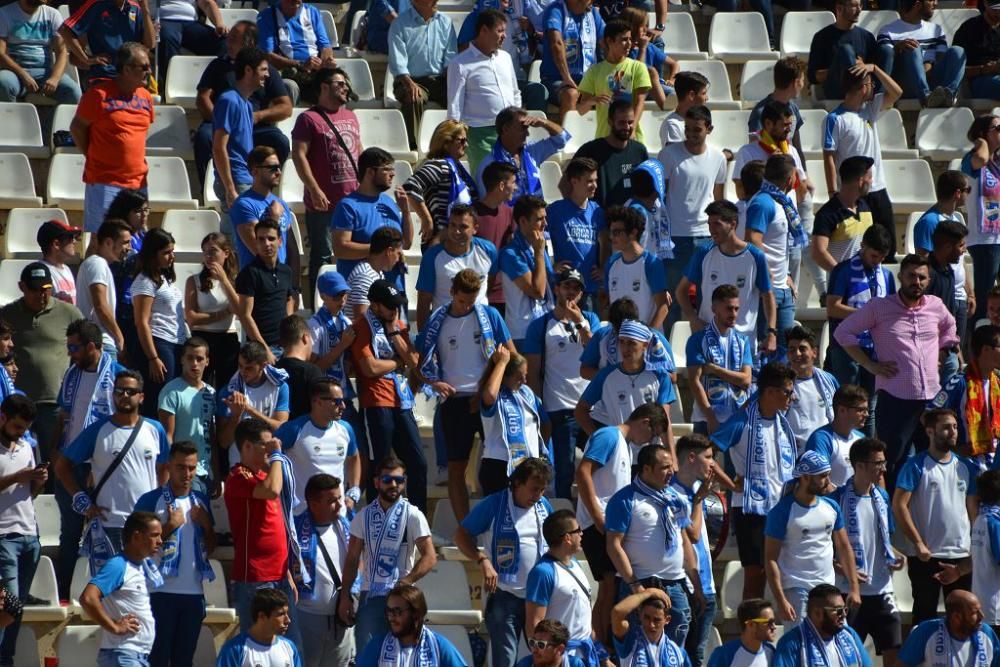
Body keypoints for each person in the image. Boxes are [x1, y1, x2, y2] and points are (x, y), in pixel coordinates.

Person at [834, 254, 959, 489]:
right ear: (900, 276)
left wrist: (943, 350)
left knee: (932, 460)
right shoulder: (880, 307)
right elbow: (843, 333)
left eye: (922, 277)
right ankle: (890, 516)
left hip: (931, 400)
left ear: (929, 280)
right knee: (892, 463)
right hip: (895, 401)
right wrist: (869, 365)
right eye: (911, 276)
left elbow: (950, 327)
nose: (917, 282)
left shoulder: (935, 305)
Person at [418, 269, 512, 518]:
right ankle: (465, 528)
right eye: (461, 301)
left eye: (471, 301)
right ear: (451, 293)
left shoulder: (489, 315)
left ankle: (497, 520)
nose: (466, 306)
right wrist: (434, 383)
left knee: (497, 464)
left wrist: (486, 388)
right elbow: (419, 362)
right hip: (455, 402)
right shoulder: (437, 320)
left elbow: (509, 353)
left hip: (486, 399)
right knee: (456, 469)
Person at [575, 403, 668, 646]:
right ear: (645, 422)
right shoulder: (609, 435)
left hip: (608, 523)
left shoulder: (623, 445)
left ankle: (602, 646)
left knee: (610, 588)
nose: (650, 440)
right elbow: (583, 472)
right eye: (652, 433)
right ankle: (600, 648)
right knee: (607, 588)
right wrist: (597, 516)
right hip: (598, 525)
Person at [56, 370, 169, 559]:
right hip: (110, 524)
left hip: (146, 525)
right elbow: (62, 466)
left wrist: (158, 504)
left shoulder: (155, 429)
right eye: (119, 391)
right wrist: (82, 501)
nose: (124, 395)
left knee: (144, 586)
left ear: (141, 397)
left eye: (130, 391)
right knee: (110, 586)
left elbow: (164, 468)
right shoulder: (97, 429)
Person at [455, 458, 554, 667]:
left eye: (542, 490)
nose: (538, 496)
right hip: (504, 595)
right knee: (505, 659)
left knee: (542, 659)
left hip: (537, 598)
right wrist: (482, 560)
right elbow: (462, 535)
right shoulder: (494, 503)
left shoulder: (544, 506)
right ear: (517, 483)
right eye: (534, 489)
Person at [51, 320, 125, 598]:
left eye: (74, 347)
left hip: (103, 469)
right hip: (70, 466)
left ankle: (108, 592)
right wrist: (55, 449)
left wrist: (98, 463)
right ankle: (62, 593)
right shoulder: (72, 375)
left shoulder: (119, 378)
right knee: (69, 533)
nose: (71, 353)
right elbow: (63, 414)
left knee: (106, 530)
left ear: (91, 346)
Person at [712, 362, 796, 600]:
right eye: (787, 391)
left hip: (780, 507)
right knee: (755, 577)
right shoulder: (741, 421)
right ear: (769, 392)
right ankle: (750, 633)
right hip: (751, 509)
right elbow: (703, 454)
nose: (792, 396)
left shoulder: (783, 422)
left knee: (782, 574)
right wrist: (729, 484)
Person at [606, 444, 703, 647]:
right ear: (646, 469)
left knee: (676, 647)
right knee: (637, 647)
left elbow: (684, 541)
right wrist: (635, 586)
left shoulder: (675, 498)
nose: (671, 472)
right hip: (641, 581)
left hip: (675, 583)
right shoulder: (624, 499)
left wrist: (697, 585)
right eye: (664, 467)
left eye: (671, 466)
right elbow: (614, 546)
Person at [338, 456, 437, 648]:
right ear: (376, 482)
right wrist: (345, 597)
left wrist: (406, 581)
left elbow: (430, 556)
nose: (393, 484)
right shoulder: (363, 516)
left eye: (399, 480)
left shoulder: (413, 514)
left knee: (403, 653)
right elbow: (352, 559)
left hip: (402, 595)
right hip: (371, 594)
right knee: (367, 656)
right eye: (387, 480)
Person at [893, 407, 980, 625]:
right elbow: (899, 505)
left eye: (955, 427)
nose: (952, 432)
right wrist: (918, 543)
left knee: (964, 619)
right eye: (946, 428)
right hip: (926, 556)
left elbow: (973, 512)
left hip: (960, 555)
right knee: (924, 618)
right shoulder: (916, 465)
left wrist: (974, 550)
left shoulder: (966, 466)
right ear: (930, 431)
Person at [134, 441, 217, 667]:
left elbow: (210, 548)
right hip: (159, 593)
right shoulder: (150, 500)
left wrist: (207, 525)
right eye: (181, 467)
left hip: (193, 595)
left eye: (191, 468)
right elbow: (135, 546)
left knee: (184, 660)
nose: (187, 473)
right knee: (157, 658)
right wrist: (169, 526)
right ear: (169, 465)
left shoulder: (201, 501)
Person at [349, 280, 427, 511]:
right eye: (388, 305)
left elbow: (414, 362)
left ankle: (418, 521)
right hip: (375, 403)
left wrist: (394, 333)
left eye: (396, 305)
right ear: (374, 305)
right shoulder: (362, 326)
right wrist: (396, 362)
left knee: (418, 463)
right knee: (379, 466)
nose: (394, 309)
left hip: (401, 402)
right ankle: (377, 520)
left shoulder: (398, 324)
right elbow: (369, 368)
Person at [524, 268, 600, 499]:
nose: (571, 292)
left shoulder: (591, 319)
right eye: (566, 286)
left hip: (591, 407)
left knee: (600, 465)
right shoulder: (541, 325)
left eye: (576, 288)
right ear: (556, 288)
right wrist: (539, 409)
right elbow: (534, 371)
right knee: (564, 472)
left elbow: (595, 354)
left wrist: (580, 323)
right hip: (559, 408)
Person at [829, 437, 905, 666]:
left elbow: (882, 538)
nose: (883, 468)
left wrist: (896, 555)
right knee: (847, 654)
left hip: (882, 589)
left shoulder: (881, 496)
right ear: (859, 465)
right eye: (878, 463)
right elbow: (825, 546)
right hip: (849, 591)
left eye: (884, 462)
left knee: (893, 650)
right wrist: (839, 567)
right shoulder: (837, 499)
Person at [223, 418, 300, 644]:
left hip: (279, 574)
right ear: (246, 446)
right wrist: (276, 455)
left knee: (290, 645)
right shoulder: (239, 476)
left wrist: (287, 572)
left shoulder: (263, 475)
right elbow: (272, 491)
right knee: (260, 646)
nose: (270, 449)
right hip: (256, 577)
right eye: (265, 445)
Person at [764, 451, 860, 625]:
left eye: (828, 475)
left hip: (829, 589)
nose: (828, 482)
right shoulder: (782, 511)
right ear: (806, 477)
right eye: (823, 476)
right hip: (796, 590)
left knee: (838, 640)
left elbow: (844, 548)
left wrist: (854, 587)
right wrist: (781, 600)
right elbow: (770, 558)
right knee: (801, 646)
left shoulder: (831, 507)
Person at [194, 21, 293, 188]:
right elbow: (203, 98)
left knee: (280, 141)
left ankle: (266, 185)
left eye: (234, 38)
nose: (228, 41)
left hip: (256, 126)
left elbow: (286, 107)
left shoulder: (265, 70)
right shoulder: (218, 66)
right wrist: (222, 121)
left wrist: (258, 116)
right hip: (220, 123)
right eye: (229, 37)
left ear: (250, 43)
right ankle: (207, 187)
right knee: (204, 137)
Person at [0, 263, 82, 466]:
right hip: (16, 403)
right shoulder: (7, 314)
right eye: (35, 290)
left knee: (54, 457)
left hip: (54, 401)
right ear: (22, 287)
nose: (42, 295)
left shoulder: (69, 313)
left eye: (46, 289)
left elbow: (85, 348)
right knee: (15, 456)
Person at [69, 42, 154, 235]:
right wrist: (92, 154)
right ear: (126, 69)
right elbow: (77, 127)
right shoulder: (98, 95)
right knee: (103, 238)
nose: (149, 71)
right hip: (104, 182)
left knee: (137, 241)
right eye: (144, 67)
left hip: (138, 183)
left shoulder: (146, 97)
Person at [291, 66, 360, 297]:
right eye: (340, 84)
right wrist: (314, 188)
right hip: (324, 203)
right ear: (323, 87)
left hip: (352, 201)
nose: (345, 88)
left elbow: (358, 150)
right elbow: (299, 155)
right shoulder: (308, 119)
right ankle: (316, 305)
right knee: (322, 255)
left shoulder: (350, 115)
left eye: (346, 84)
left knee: (353, 255)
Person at [822, 65, 902, 262]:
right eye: (870, 83)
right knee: (861, 250)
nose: (874, 87)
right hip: (854, 194)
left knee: (888, 249)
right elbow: (829, 157)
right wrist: (833, 192)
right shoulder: (834, 119)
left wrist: (874, 68)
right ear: (862, 87)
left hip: (878, 189)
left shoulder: (870, 109)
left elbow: (897, 92)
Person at [659, 106, 728, 328]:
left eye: (696, 129)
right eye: (687, 129)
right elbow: (661, 197)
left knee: (706, 300)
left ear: (709, 129)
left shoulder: (718, 158)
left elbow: (718, 199)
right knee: (670, 300)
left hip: (706, 238)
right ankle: (667, 351)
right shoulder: (668, 155)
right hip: (675, 239)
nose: (690, 133)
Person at [676, 200, 775, 349]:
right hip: (709, 341)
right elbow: (680, 291)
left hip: (743, 343)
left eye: (717, 224)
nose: (712, 230)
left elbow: (768, 296)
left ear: (733, 224)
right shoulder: (703, 253)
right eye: (709, 224)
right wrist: (692, 318)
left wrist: (772, 332)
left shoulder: (755, 256)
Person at [78, 511, 161, 667]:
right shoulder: (118, 565)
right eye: (154, 535)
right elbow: (88, 598)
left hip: (134, 656)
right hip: (123, 655)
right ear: (136, 536)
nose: (160, 541)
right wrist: (115, 627)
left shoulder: (139, 567)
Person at [447, 8, 525, 170]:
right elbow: (455, 105)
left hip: (509, 131)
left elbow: (515, 92)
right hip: (478, 135)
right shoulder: (460, 63)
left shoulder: (505, 58)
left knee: (512, 180)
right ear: (483, 30)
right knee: (485, 182)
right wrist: (456, 137)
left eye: (505, 31)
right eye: (500, 31)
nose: (504, 35)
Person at [331, 147, 413, 297]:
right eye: (387, 169)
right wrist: (381, 250)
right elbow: (340, 248)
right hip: (364, 293)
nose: (393, 173)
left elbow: (406, 243)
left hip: (395, 289)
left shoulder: (389, 203)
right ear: (370, 172)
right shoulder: (348, 206)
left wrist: (406, 211)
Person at [825, 224, 895, 399]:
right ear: (863, 245)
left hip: (875, 346)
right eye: (874, 255)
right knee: (848, 402)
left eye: (882, 257)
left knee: (869, 406)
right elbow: (833, 308)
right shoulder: (843, 270)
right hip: (845, 347)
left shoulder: (886, 276)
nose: (877, 261)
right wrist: (866, 315)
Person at [575, 320, 675, 441]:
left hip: (650, 455)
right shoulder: (605, 375)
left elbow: (665, 421)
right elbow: (580, 411)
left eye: (631, 343)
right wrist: (600, 438)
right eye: (622, 342)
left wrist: (672, 456)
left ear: (645, 345)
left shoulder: (660, 376)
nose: (625, 348)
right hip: (620, 453)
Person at [291, 473, 353, 667]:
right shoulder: (293, 530)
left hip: (341, 619)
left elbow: (360, 561)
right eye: (331, 501)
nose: (339, 505)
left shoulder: (348, 525)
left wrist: (349, 597)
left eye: (339, 498)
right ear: (314, 504)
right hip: (306, 619)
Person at [0, 395, 43, 667]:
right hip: (4, 537)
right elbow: (16, 481)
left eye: (25, 428)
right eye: (17, 426)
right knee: (8, 607)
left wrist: (37, 481)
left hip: (30, 535)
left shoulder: (27, 447)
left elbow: (30, 494)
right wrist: (18, 476)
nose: (21, 432)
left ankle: (7, 658)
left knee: (18, 609)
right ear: (2, 417)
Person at [525, 510, 599, 666]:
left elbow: (584, 618)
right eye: (578, 530)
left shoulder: (575, 564)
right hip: (562, 656)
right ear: (567, 538)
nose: (582, 534)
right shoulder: (543, 572)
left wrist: (602, 656)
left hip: (585, 655)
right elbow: (534, 623)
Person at [745, 155, 803, 352]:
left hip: (783, 289)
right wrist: (767, 272)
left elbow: (776, 244)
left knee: (786, 351)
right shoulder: (763, 202)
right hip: (766, 291)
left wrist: (785, 274)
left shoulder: (780, 202)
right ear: (790, 179)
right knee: (766, 350)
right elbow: (753, 238)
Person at [276, 378, 361, 514]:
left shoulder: (346, 429)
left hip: (338, 514)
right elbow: (268, 456)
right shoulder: (294, 429)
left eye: (343, 401)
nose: (343, 406)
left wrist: (354, 489)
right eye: (337, 401)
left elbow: (354, 457)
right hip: (302, 516)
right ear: (318, 401)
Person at [670, 435, 719, 667]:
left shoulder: (699, 487)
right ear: (691, 457)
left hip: (706, 584)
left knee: (698, 655)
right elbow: (693, 534)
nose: (712, 464)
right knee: (682, 654)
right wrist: (699, 500)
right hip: (687, 586)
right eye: (708, 457)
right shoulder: (673, 493)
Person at [213, 46, 271, 236]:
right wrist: (230, 188)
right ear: (248, 70)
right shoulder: (229, 100)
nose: (267, 74)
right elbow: (219, 146)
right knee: (237, 243)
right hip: (236, 181)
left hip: (245, 179)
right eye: (263, 69)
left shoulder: (245, 103)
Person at [130, 228, 189, 418]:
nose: (171, 256)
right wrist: (153, 357)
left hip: (176, 342)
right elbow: (142, 321)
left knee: (171, 397)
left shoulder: (164, 278)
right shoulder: (145, 281)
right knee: (160, 398)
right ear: (153, 254)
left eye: (172, 251)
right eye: (166, 252)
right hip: (159, 342)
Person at [478, 348, 549, 495]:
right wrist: (502, 362)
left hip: (528, 468)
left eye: (525, 375)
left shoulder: (527, 394)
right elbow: (489, 395)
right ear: (503, 376)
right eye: (518, 376)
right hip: (498, 465)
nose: (524, 381)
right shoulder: (495, 396)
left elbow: (545, 424)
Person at [913, 170, 973, 344]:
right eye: (967, 190)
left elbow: (961, 262)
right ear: (957, 193)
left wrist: (970, 293)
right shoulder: (929, 222)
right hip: (943, 297)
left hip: (960, 297)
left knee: (956, 348)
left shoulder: (956, 218)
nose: (968, 194)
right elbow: (923, 262)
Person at [686, 285, 753, 436]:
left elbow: (746, 380)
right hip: (705, 418)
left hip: (737, 417)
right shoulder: (697, 340)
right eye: (729, 309)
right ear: (714, 308)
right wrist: (711, 418)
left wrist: (715, 369)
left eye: (737, 309)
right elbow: (694, 381)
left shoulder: (743, 341)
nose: (734, 314)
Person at [387, 0, 456, 148]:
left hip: (439, 80)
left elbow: (451, 58)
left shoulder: (446, 22)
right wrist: (410, 83)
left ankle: (453, 143)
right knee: (414, 97)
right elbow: (398, 62)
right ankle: (414, 147)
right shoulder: (399, 23)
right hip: (409, 80)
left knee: (461, 96)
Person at [415, 205, 497, 328]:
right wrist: (423, 338)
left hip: (481, 329)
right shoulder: (432, 257)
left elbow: (490, 282)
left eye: (463, 226)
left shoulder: (489, 250)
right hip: (446, 330)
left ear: (475, 228)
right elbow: (424, 301)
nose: (456, 231)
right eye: (452, 225)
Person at [930, 325, 1000, 467]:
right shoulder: (959, 383)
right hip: (965, 465)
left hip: (995, 462)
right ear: (986, 349)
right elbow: (929, 415)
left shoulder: (997, 383)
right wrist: (952, 448)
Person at [877, 0, 966, 107]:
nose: (936, 3)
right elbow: (887, 61)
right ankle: (926, 97)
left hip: (933, 80)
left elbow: (941, 59)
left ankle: (949, 95)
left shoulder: (936, 29)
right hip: (906, 84)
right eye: (931, 0)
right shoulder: (887, 31)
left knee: (958, 51)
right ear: (918, 4)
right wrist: (898, 48)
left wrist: (927, 65)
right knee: (913, 48)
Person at [157, 338, 217, 496]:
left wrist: (216, 475)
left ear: (207, 361)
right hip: (184, 473)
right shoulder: (171, 391)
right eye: (190, 358)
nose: (195, 364)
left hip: (206, 472)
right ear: (182, 359)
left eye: (199, 359)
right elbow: (166, 437)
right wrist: (166, 477)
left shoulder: (211, 392)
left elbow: (211, 435)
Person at [355, 584, 468, 667]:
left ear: (416, 614)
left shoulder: (439, 646)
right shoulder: (378, 645)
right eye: (389, 611)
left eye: (397, 611)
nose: (391, 617)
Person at [406, 121, 481, 247]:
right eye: (461, 141)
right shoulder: (439, 165)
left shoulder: (458, 168)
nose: (466, 145)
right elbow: (410, 186)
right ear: (446, 143)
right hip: (440, 242)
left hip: (459, 241)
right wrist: (426, 219)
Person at [545, 157, 605, 312]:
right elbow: (539, 239)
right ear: (574, 181)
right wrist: (551, 265)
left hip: (589, 288)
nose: (595, 186)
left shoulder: (597, 211)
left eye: (595, 180)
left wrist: (603, 268)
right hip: (565, 287)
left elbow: (606, 242)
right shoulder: (555, 211)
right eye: (589, 181)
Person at [577, 19, 650, 142]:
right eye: (624, 40)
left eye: (630, 39)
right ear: (609, 41)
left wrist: (631, 130)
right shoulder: (594, 71)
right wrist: (592, 101)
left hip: (631, 140)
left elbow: (639, 103)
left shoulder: (638, 67)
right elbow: (581, 110)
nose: (629, 44)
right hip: (604, 140)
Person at [184, 233, 241, 391]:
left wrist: (224, 280)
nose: (208, 256)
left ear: (226, 253)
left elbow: (240, 310)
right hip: (203, 338)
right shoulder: (194, 281)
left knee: (227, 388)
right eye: (205, 252)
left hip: (227, 338)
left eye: (213, 251)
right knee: (201, 387)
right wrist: (223, 313)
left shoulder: (235, 281)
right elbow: (192, 317)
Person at [217, 342, 290, 464]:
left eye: (249, 368)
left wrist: (249, 409)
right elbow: (224, 442)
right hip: (239, 464)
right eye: (240, 366)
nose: (243, 372)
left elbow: (281, 429)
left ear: (263, 365)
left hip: (268, 463)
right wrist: (236, 416)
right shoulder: (228, 391)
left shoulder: (280, 387)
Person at [476, 107, 570, 201]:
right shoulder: (489, 165)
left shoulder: (531, 151)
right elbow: (488, 203)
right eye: (523, 128)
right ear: (505, 129)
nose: (528, 134)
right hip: (510, 214)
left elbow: (562, 139)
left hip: (537, 210)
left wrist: (544, 122)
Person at [499, 195, 555, 347]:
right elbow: (537, 291)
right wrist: (538, 254)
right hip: (524, 333)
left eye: (545, 218)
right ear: (523, 221)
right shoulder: (510, 254)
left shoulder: (539, 246)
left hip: (546, 325)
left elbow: (545, 280)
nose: (545, 223)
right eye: (539, 219)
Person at [235, 218, 297, 356]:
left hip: (285, 346)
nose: (266, 243)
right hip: (260, 350)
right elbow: (245, 315)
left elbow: (289, 300)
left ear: (280, 241)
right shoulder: (250, 273)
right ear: (256, 243)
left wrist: (289, 336)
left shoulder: (286, 271)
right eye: (261, 239)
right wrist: (265, 350)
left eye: (271, 238)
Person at [230, 146, 297, 271]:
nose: (279, 172)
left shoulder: (281, 204)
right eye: (272, 168)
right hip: (258, 280)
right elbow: (260, 250)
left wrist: (294, 287)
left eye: (279, 167)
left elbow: (292, 249)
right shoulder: (243, 205)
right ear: (255, 171)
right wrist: (274, 218)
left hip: (281, 279)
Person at [771, 584, 871, 667]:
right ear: (817, 613)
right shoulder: (791, 643)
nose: (843, 615)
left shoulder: (850, 634)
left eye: (845, 610)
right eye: (838, 610)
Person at [0, 0, 80, 103]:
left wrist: (54, 78)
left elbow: (61, 51)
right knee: (4, 83)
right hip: (15, 72)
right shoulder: (4, 13)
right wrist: (23, 75)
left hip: (45, 72)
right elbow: (1, 53)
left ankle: (55, 119)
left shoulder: (53, 14)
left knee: (73, 92)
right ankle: (9, 118)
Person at [807, 0, 889, 100]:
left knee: (886, 51)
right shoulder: (822, 37)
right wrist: (839, 68)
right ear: (839, 8)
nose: (859, 10)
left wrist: (866, 67)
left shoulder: (867, 36)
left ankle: (877, 100)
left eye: (860, 5)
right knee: (845, 51)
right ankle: (855, 95)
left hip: (865, 89)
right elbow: (812, 76)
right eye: (854, 6)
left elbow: (875, 68)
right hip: (838, 90)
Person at [961, 114, 1000, 326]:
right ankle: (976, 345)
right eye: (998, 128)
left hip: (998, 237)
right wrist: (981, 143)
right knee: (984, 297)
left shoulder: (998, 162)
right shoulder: (970, 159)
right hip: (984, 239)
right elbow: (982, 159)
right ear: (984, 133)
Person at [538, 0, 605, 122]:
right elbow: (556, 43)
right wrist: (567, 77)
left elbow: (607, 42)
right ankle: (566, 139)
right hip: (558, 79)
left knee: (617, 89)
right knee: (571, 94)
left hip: (589, 79)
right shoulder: (555, 10)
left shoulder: (593, 13)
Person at [256, 0, 335, 103]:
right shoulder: (267, 16)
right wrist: (299, 64)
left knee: (336, 83)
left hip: (314, 70)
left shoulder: (312, 12)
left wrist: (325, 62)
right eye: (292, 3)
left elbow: (325, 46)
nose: (296, 6)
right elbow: (267, 56)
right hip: (286, 70)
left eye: (298, 3)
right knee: (290, 86)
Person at [60, 0, 153, 86]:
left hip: (132, 77)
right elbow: (65, 29)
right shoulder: (96, 4)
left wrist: (145, 10)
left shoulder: (136, 8)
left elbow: (150, 44)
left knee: (145, 98)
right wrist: (86, 59)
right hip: (105, 75)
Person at [573, 100, 648, 208]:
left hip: (631, 219)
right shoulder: (590, 150)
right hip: (599, 220)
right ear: (610, 122)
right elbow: (566, 184)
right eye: (621, 122)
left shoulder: (640, 151)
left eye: (630, 122)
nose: (627, 127)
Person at [605, 205, 669, 330]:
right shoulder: (611, 264)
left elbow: (663, 307)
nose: (612, 237)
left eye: (617, 232)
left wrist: (647, 336)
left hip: (646, 341)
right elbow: (609, 306)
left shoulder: (651, 263)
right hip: (620, 342)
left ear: (633, 233)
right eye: (611, 232)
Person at [898, 590, 1000, 666]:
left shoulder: (986, 632)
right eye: (974, 612)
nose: (981, 616)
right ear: (956, 617)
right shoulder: (926, 631)